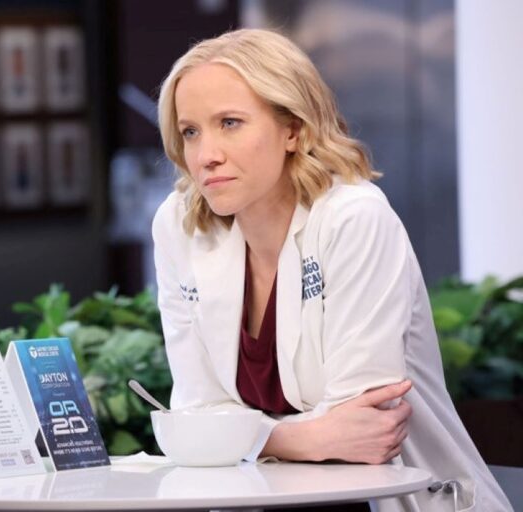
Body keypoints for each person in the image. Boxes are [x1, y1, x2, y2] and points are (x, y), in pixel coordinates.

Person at [152, 29, 509, 511]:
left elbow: (364, 433)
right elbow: (193, 415)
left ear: (293, 130)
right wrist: (305, 437)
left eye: (230, 123)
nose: (205, 154)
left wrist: (240, 436)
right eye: (190, 131)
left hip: (390, 500)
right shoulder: (180, 226)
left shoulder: (354, 217)